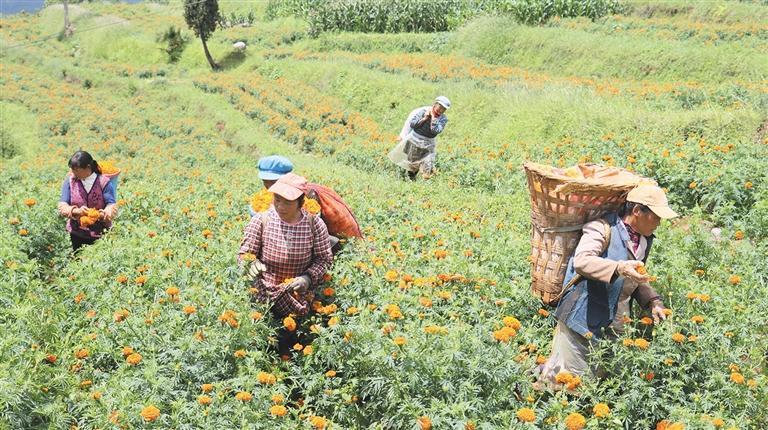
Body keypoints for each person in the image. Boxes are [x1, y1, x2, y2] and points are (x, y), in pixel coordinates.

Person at [535, 184, 678, 390]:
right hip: (582, 319)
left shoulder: (644, 241)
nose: (659, 222)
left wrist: (653, 301)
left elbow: (637, 277)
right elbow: (582, 262)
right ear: (637, 211)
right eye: (656, 216)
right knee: (562, 383)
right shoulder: (601, 229)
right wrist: (619, 267)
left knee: (602, 383)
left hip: (615, 324)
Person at [238, 173, 333, 355]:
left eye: (287, 203)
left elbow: (324, 259)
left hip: (296, 296)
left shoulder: (315, 224)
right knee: (262, 344)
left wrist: (306, 278)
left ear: (300, 202)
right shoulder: (262, 220)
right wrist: (251, 265)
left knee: (291, 346)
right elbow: (245, 253)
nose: (280, 206)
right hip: (264, 295)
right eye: (277, 200)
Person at [57, 151, 118, 252]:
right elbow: (63, 204)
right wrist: (77, 211)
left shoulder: (103, 182)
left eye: (76, 170)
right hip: (77, 233)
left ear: (88, 167)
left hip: (100, 233)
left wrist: (101, 214)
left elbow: (111, 204)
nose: (73, 173)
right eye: (72, 170)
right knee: (79, 260)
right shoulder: (70, 181)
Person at [389, 96, 450, 180]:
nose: (441, 110)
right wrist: (424, 118)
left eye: (443, 109)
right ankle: (409, 178)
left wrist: (433, 118)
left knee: (428, 162)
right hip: (415, 139)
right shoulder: (423, 111)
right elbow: (413, 124)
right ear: (435, 104)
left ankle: (424, 180)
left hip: (429, 142)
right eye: (440, 107)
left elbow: (435, 131)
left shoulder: (443, 119)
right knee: (412, 163)